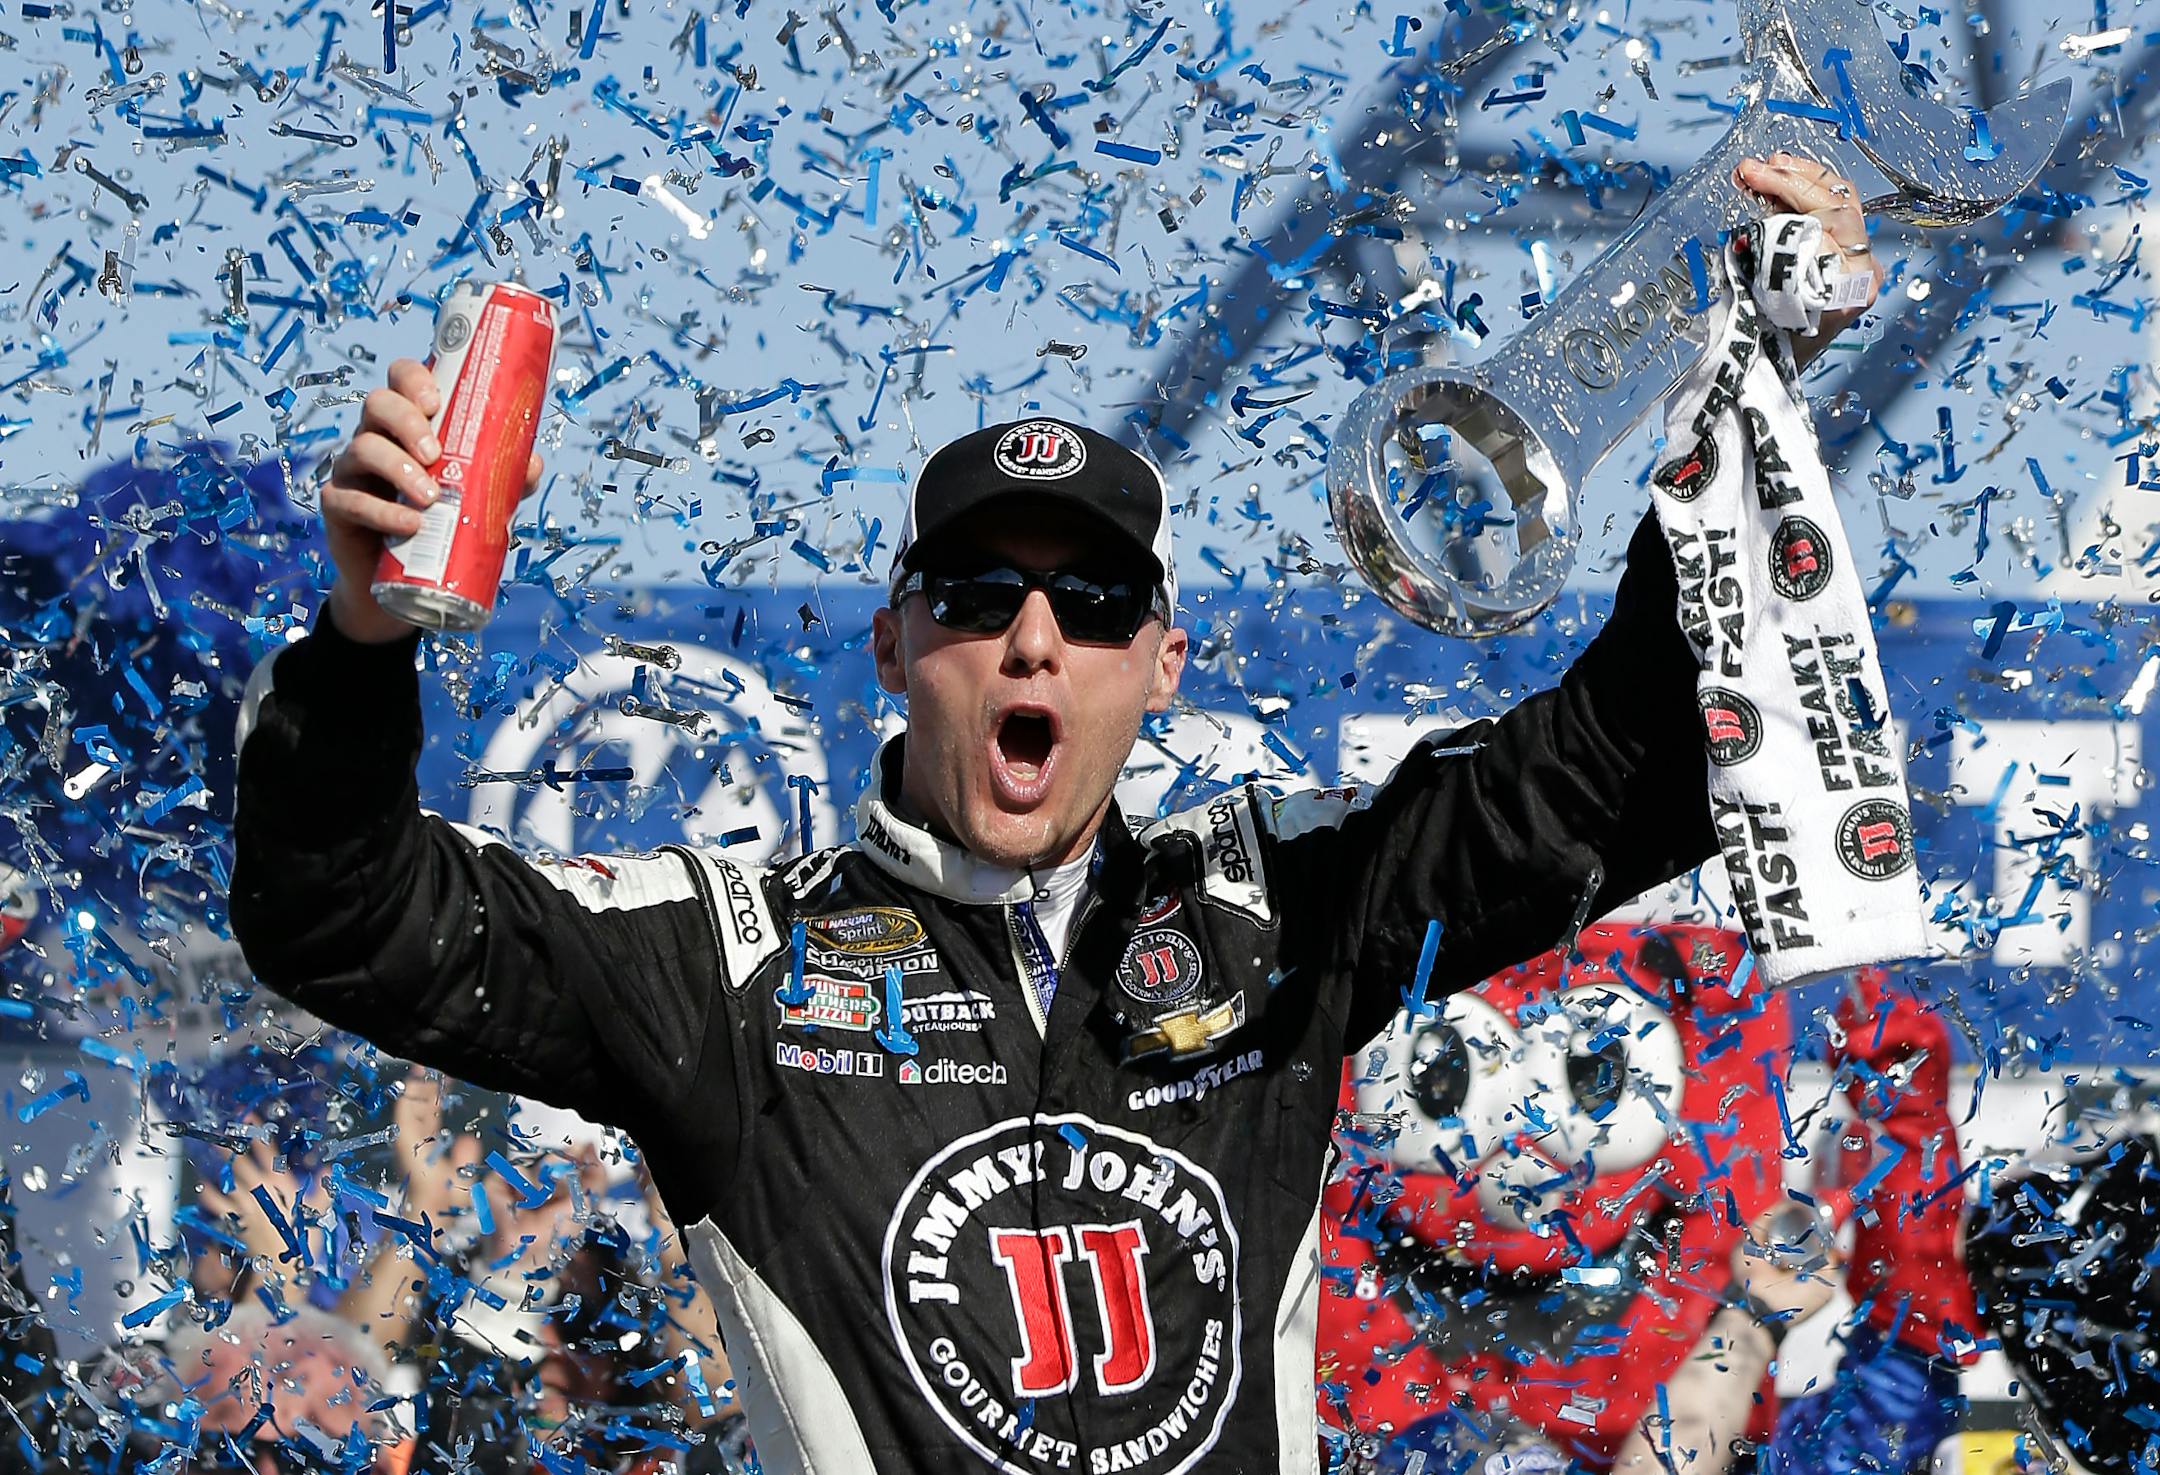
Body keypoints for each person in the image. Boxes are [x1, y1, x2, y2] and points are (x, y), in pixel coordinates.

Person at [228, 157, 1883, 1472]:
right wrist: (361, 644)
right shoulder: (725, 963)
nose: (1032, 640)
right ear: (895, 645)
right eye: (977, 595)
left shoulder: (1280, 906)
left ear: (1162, 664)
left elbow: (1623, 768)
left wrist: (1750, 392)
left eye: (1090, 605)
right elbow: (343, 916)